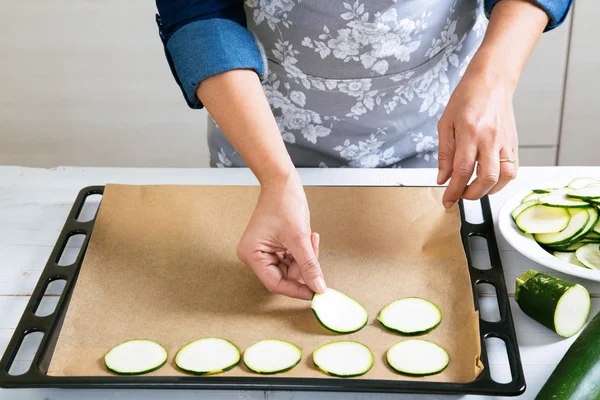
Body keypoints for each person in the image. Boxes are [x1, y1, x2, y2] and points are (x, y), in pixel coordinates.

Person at [154, 0, 572, 300]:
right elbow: (198, 12)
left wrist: (494, 80)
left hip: (435, 131)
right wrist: (275, 177)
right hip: (262, 131)